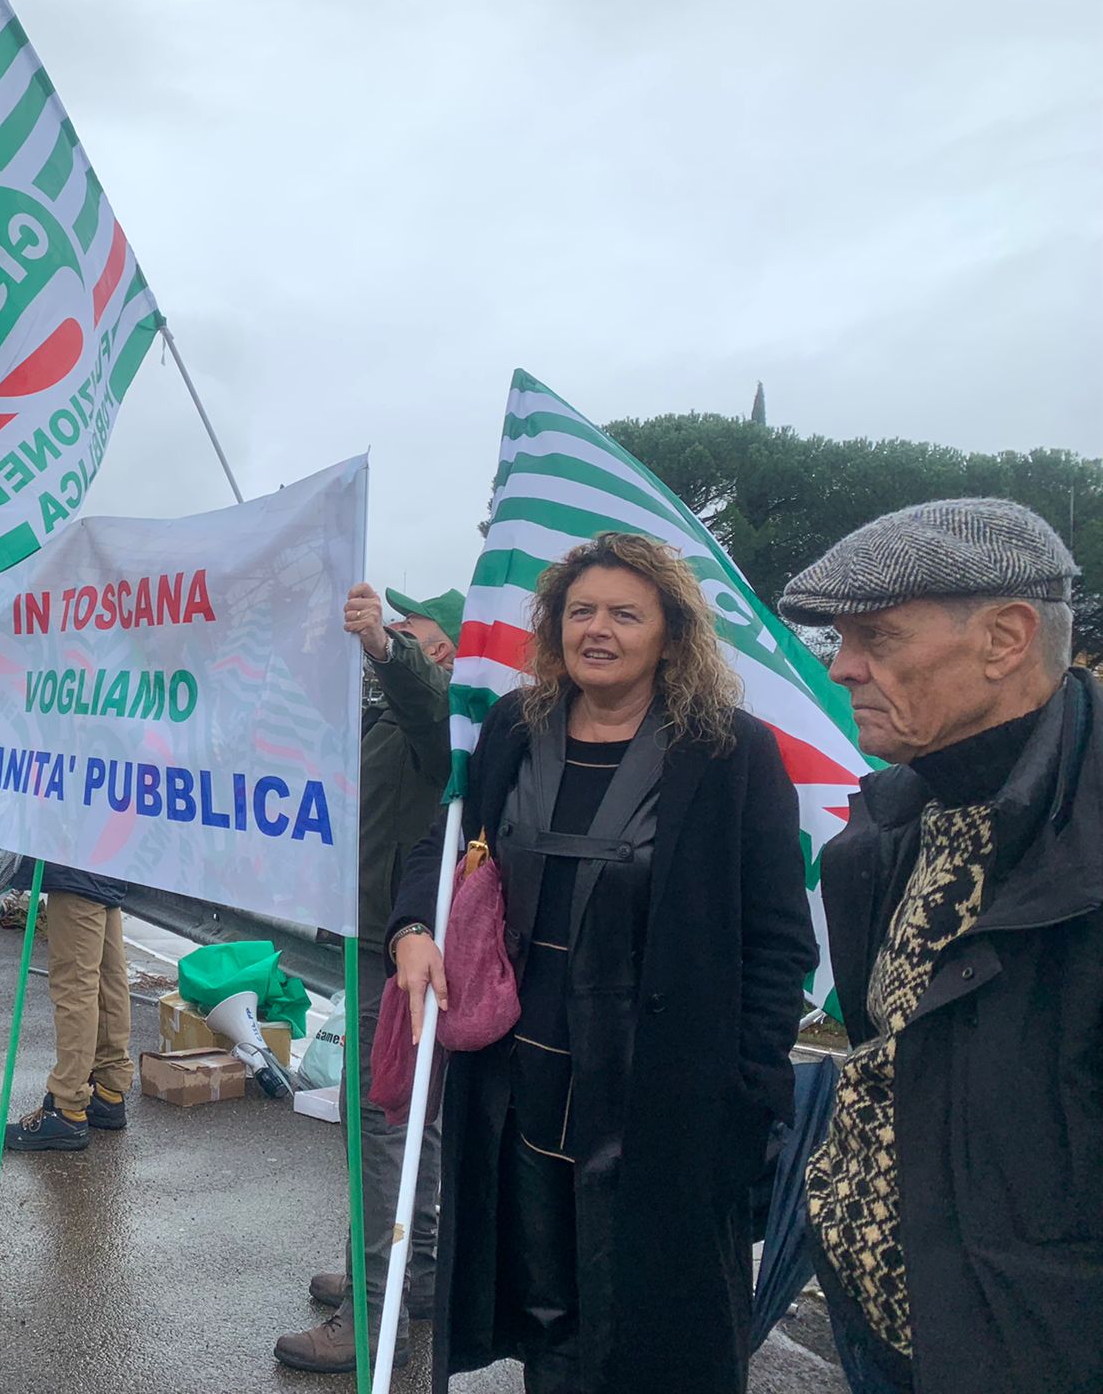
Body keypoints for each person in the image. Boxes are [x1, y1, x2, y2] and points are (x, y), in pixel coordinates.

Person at [388, 532, 817, 1394]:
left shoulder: (731, 751)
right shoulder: (515, 727)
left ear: (671, 632)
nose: (598, 630)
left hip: (660, 1098)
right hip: (519, 1082)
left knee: (652, 1325)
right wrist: (410, 929)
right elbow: (446, 843)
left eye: (625, 614)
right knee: (544, 1305)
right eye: (580, 611)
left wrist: (747, 1097)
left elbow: (778, 943)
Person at [777, 498, 1100, 1394]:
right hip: (875, 1325)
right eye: (842, 638)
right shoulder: (890, 824)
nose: (841, 667)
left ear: (1005, 638)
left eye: (877, 636)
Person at [276, 583, 459, 1374]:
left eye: (409, 630)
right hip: (380, 931)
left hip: (402, 942)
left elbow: (426, 706)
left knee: (380, 1123)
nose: (387, 636)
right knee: (408, 1119)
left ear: (440, 649)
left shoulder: (442, 715)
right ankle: (416, 1270)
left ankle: (373, 1316)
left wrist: (388, 649)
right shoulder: (388, 716)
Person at [2, 861, 135, 1152]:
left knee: (75, 986)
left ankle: (67, 1106)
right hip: (108, 869)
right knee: (108, 978)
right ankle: (108, 1090)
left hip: (75, 866)